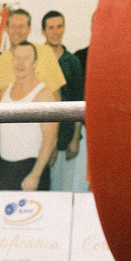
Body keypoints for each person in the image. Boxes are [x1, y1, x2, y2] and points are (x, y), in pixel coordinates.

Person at [0, 42, 59, 190]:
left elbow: (50, 140)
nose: (20, 63)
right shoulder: (4, 92)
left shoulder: (44, 95)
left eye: (26, 58)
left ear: (35, 63)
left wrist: (36, 174)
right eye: (17, 57)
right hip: (3, 168)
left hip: (30, 170)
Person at [38, 12, 87, 191]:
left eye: (59, 26)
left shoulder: (72, 61)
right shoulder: (34, 57)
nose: (56, 31)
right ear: (43, 31)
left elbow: (78, 101)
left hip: (65, 138)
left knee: (61, 191)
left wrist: (75, 139)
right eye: (51, 27)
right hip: (38, 137)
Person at [0, 9, 65, 95]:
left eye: (21, 26)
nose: (17, 31)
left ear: (29, 29)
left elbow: (56, 94)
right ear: (6, 29)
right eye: (13, 26)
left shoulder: (46, 53)